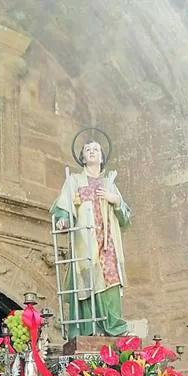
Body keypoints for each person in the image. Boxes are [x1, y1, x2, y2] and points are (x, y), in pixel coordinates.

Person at [51, 139, 130, 337]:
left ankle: (113, 327)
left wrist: (116, 201)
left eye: (96, 149)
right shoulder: (74, 181)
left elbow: (126, 218)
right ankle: (89, 329)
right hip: (86, 241)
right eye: (88, 150)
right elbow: (63, 209)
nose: (92, 152)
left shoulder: (110, 183)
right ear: (83, 157)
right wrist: (64, 220)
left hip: (108, 242)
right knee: (86, 280)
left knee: (111, 279)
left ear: (102, 157)